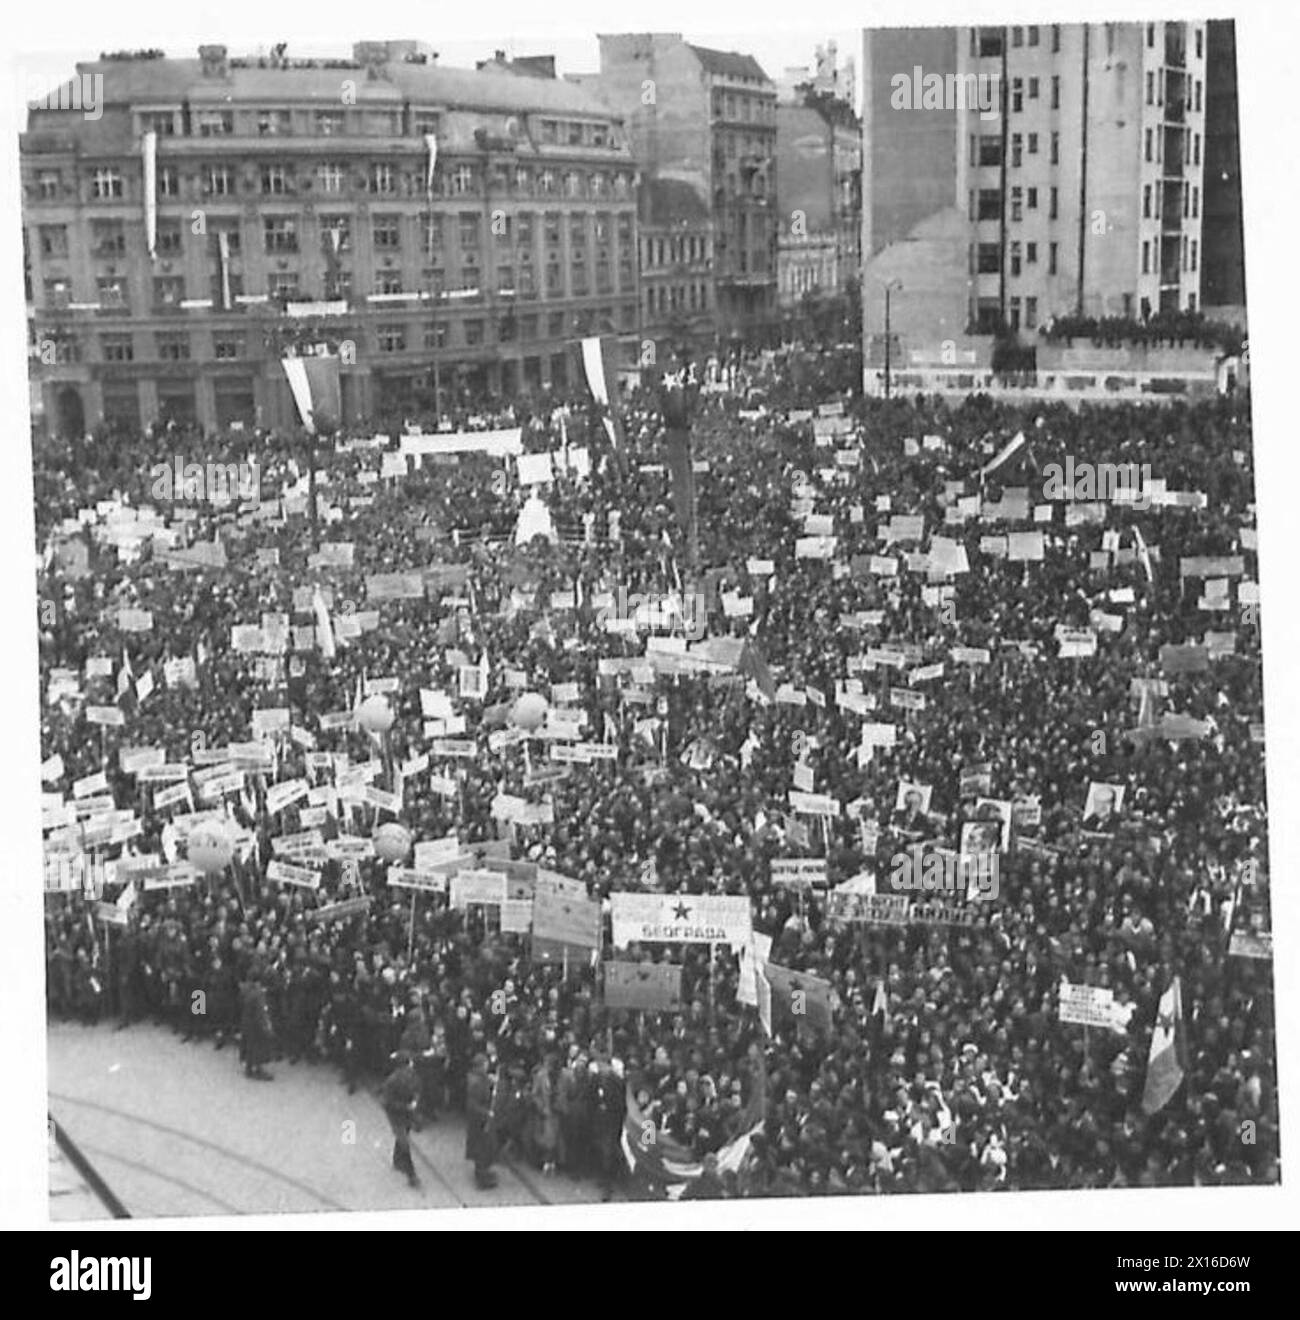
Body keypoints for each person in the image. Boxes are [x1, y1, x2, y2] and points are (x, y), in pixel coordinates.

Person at [379, 1051, 421, 1189]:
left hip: (405, 1112)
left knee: (404, 1135)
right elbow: (386, 1102)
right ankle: (411, 1174)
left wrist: (414, 1101)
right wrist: (408, 1105)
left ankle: (397, 1160)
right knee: (404, 1142)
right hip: (396, 1115)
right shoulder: (393, 1080)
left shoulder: (409, 1076)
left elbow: (417, 1089)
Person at [465, 1052, 499, 1189]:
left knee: (484, 1146)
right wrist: (487, 1113)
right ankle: (482, 1178)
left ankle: (483, 1171)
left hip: (478, 1119)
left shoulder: (477, 1078)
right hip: (479, 1120)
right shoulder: (476, 1083)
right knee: (482, 1148)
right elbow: (472, 1104)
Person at [238, 973, 274, 1081]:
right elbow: (261, 1012)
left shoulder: (245, 991)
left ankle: (248, 1069)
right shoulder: (258, 995)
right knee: (258, 1046)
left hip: (246, 1021)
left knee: (249, 1044)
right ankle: (258, 1069)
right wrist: (267, 1027)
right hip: (256, 1024)